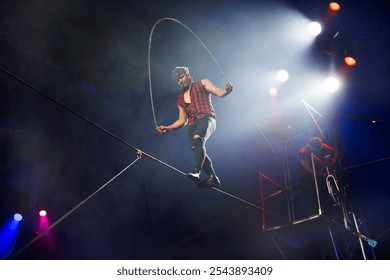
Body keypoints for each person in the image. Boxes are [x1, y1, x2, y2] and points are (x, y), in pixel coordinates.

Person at [156, 66, 233, 187]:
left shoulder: (202, 83)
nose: (180, 81)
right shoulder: (180, 98)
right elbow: (182, 120)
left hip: (207, 118)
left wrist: (226, 90)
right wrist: (168, 128)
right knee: (196, 147)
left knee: (198, 139)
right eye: (178, 80)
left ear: (188, 74)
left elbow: (219, 92)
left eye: (181, 77)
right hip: (192, 125)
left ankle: (196, 171)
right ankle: (213, 177)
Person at [298, 137, 339, 217]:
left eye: (320, 148)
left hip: (319, 175)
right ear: (311, 147)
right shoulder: (303, 152)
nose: (318, 150)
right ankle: (315, 217)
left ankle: (329, 215)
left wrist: (333, 161)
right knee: (312, 197)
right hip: (307, 178)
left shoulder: (322, 145)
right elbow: (308, 170)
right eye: (317, 149)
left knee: (325, 196)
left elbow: (335, 151)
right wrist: (322, 175)